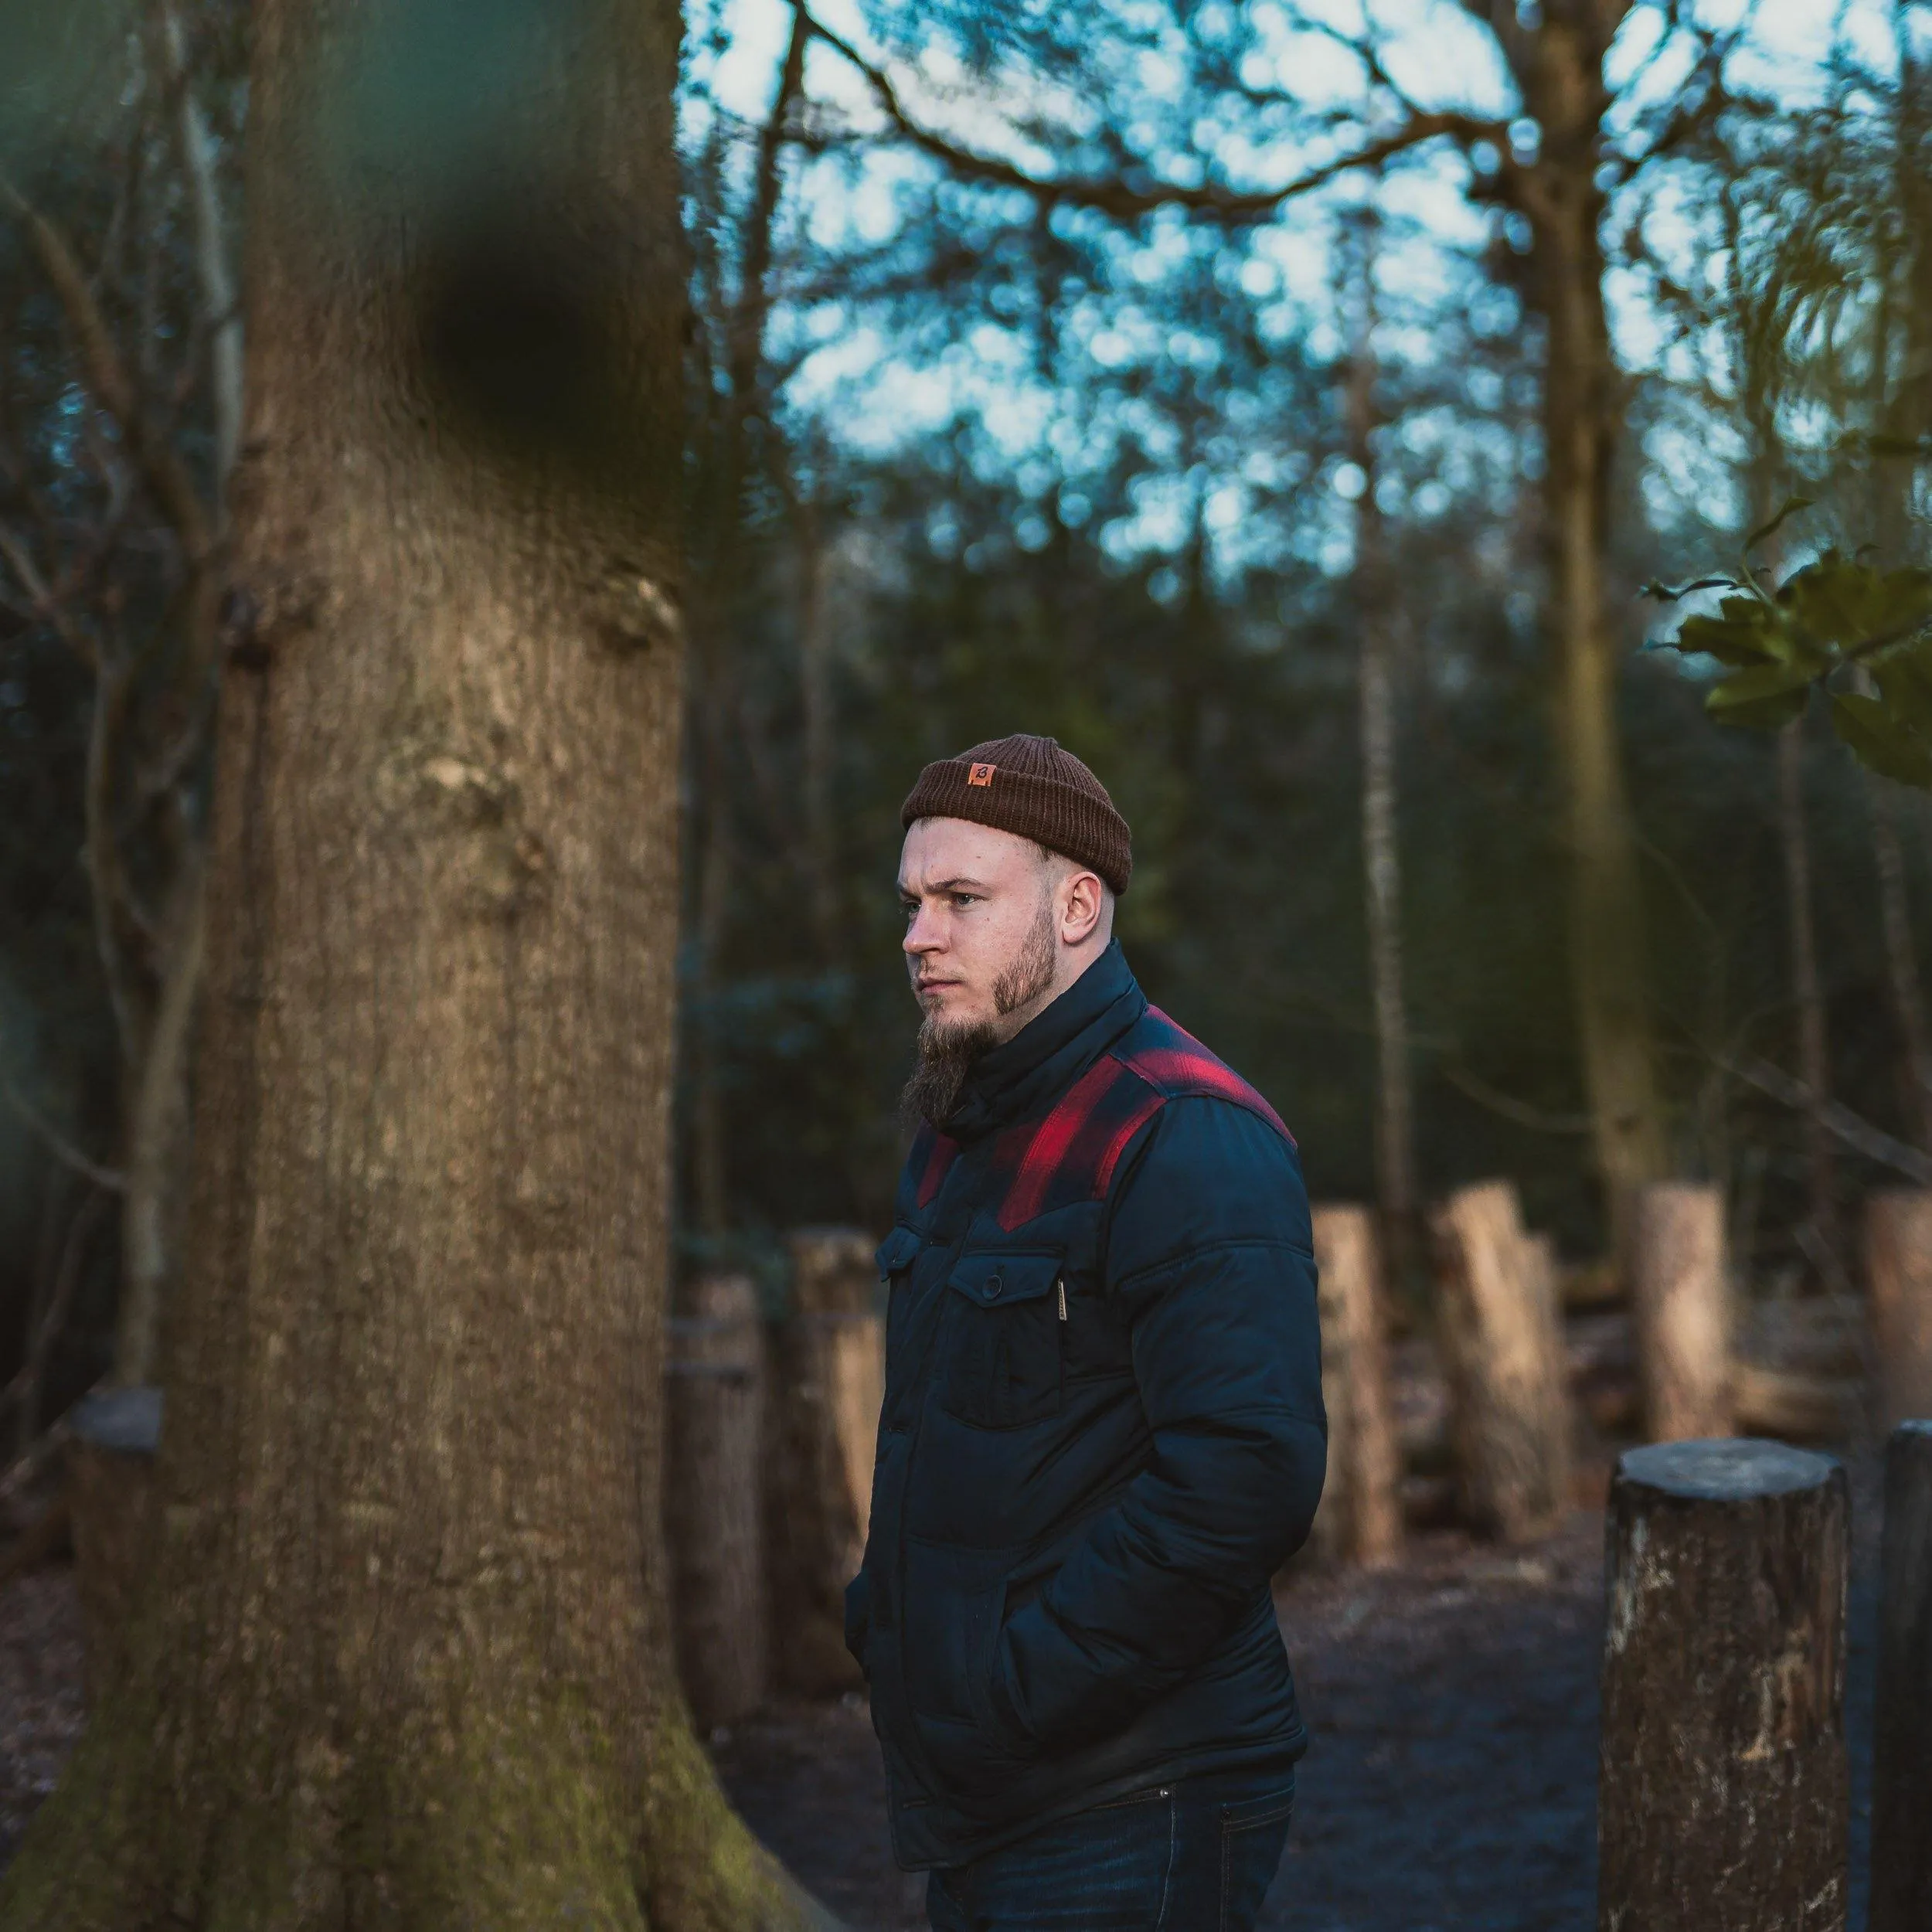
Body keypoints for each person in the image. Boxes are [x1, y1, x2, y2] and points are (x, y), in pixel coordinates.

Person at [845, 733, 1327, 1930]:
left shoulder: (1183, 1132)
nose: (919, 936)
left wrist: (1019, 1685)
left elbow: (1246, 1474)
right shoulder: (963, 1123)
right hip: (985, 1788)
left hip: (1133, 1789)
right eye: (912, 902)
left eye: (962, 899)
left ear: (1076, 905)